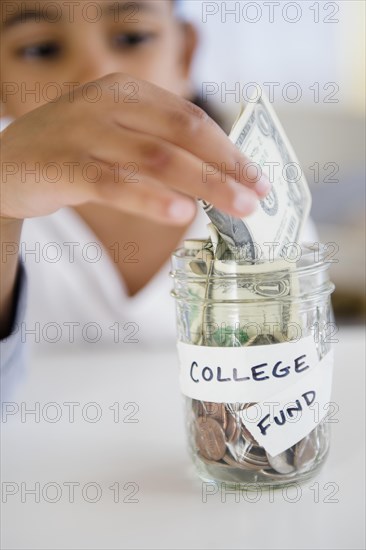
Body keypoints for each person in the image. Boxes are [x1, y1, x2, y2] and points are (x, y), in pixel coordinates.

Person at [0, 0, 310, 394]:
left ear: (185, 53)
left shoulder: (264, 202)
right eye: (41, 49)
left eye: (132, 37)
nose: (99, 80)